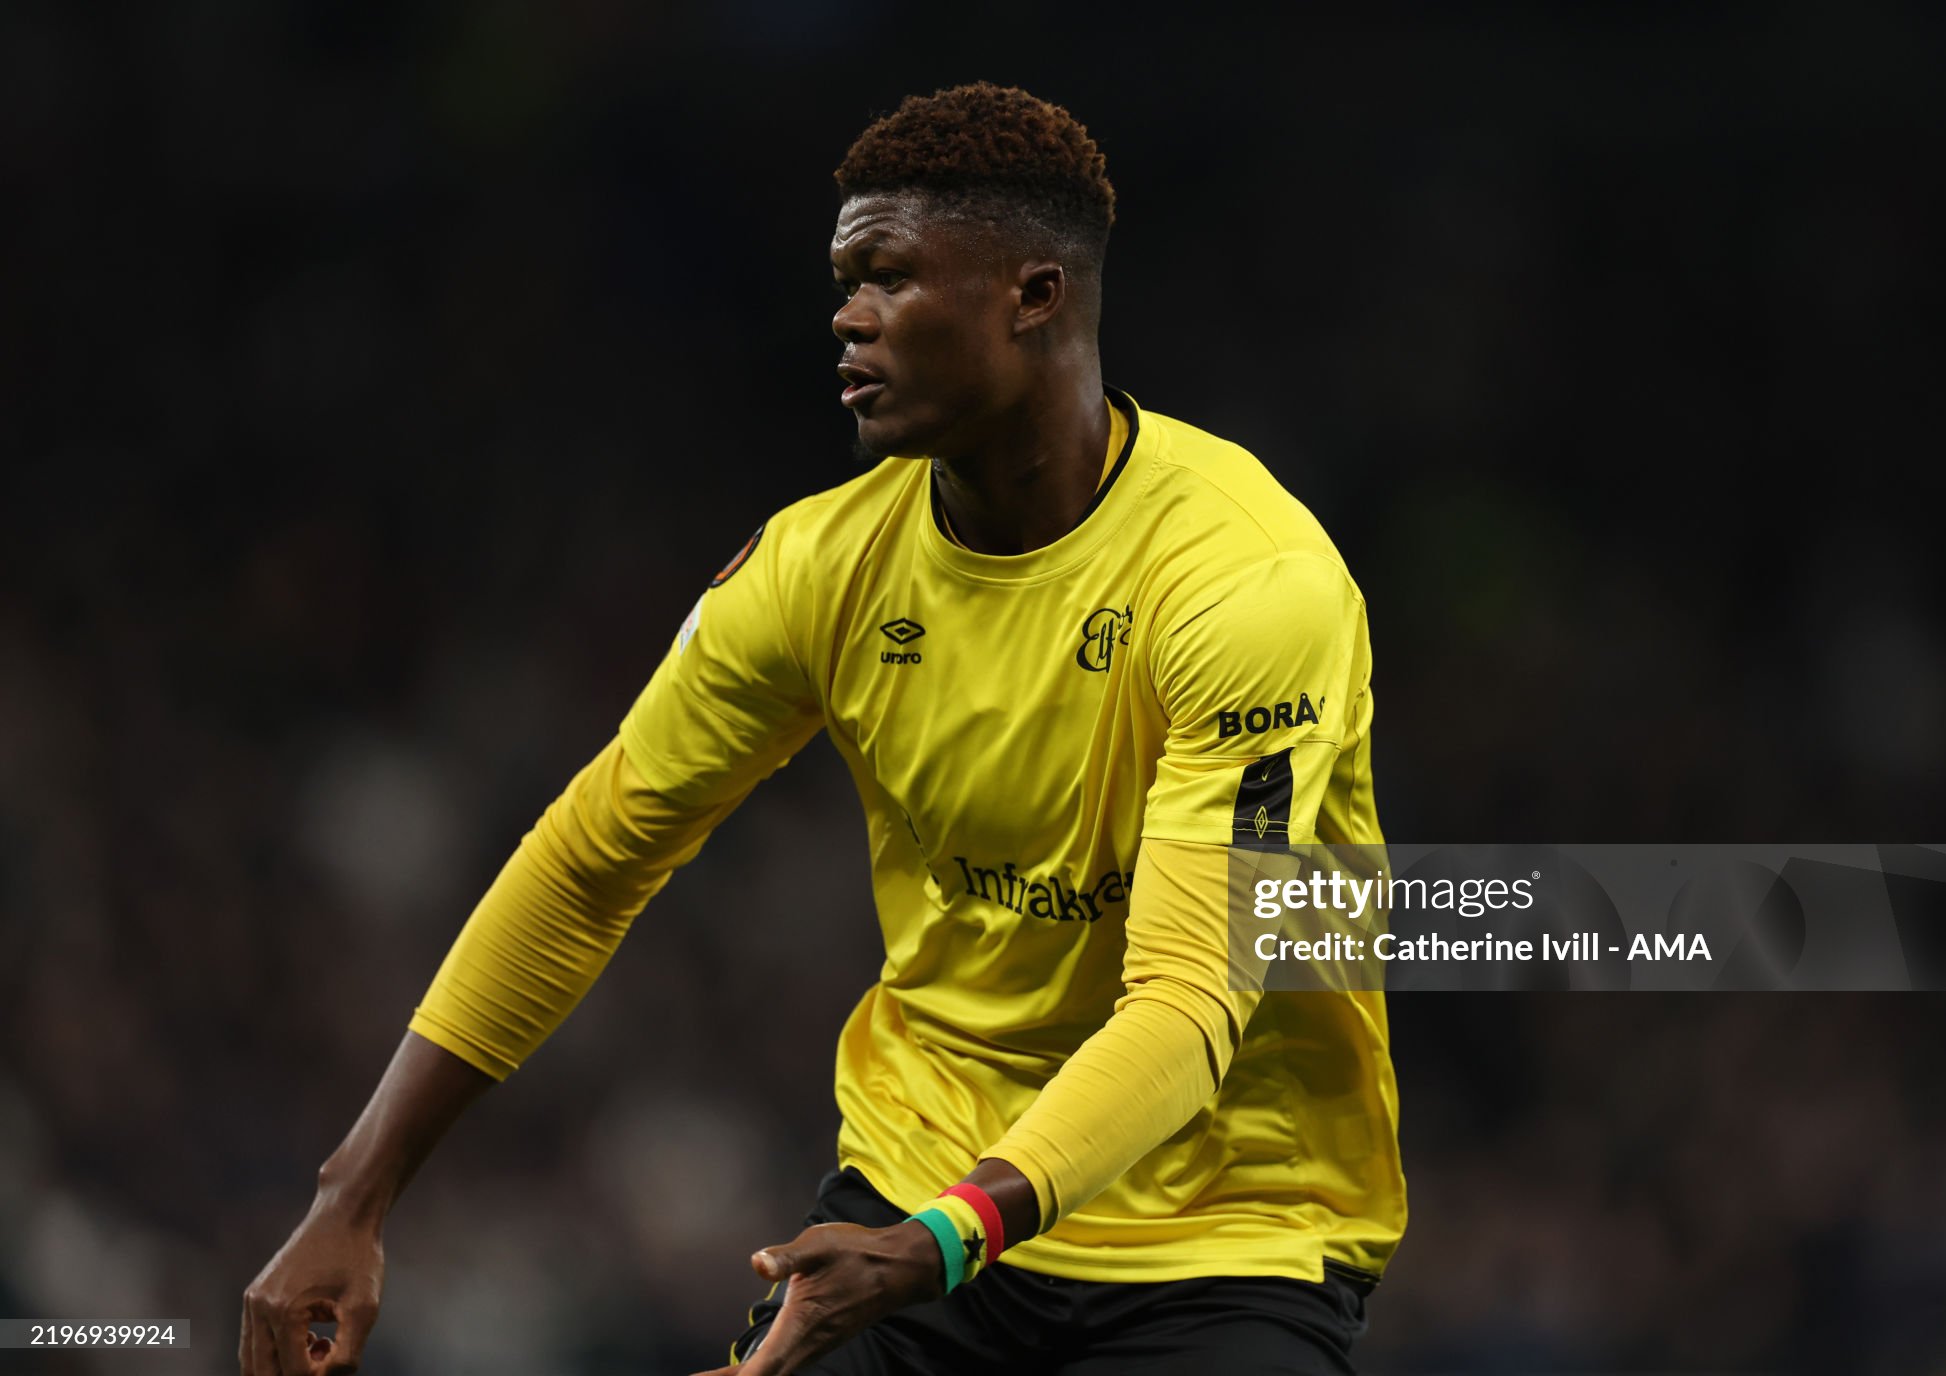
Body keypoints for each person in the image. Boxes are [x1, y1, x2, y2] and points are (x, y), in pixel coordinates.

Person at [240, 81, 1406, 1376]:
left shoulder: (1247, 585)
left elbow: (1189, 999)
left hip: (1222, 1243)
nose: (847, 316)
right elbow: (588, 861)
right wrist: (351, 1196)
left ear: (1033, 296)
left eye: (889, 277)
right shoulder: (818, 567)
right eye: (845, 283)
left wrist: (948, 1240)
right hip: (919, 1184)